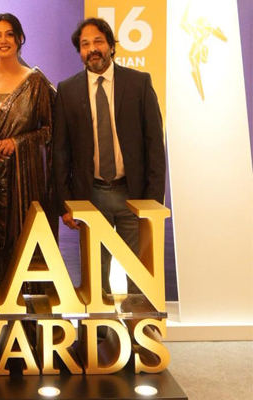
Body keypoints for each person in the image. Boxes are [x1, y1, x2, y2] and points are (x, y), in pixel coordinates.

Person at [54, 17, 165, 296]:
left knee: (140, 275)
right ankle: (100, 325)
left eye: (98, 42)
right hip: (91, 196)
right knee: (95, 279)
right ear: (80, 52)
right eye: (85, 44)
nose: (92, 49)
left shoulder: (138, 83)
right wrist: (66, 202)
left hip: (133, 195)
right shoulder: (67, 90)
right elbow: (60, 151)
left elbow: (154, 144)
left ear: (111, 46)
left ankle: (140, 324)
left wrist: (153, 200)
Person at [0, 13, 57, 289]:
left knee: (24, 244)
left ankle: (27, 309)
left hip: (25, 182)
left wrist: (18, 142)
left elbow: (51, 130)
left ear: (20, 39)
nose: (3, 40)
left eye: (9, 34)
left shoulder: (36, 82)